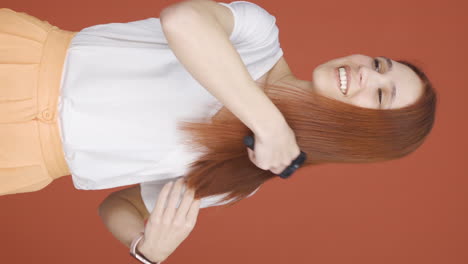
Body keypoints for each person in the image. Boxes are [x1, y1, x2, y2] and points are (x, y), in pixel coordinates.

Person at [0, 0, 437, 263]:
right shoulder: (260, 35)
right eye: (379, 65)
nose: (365, 74)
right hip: (17, 60)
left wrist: (148, 247)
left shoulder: (238, 177)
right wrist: (269, 124)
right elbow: (182, 21)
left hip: (19, 158)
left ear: (362, 133)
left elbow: (118, 205)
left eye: (380, 95)